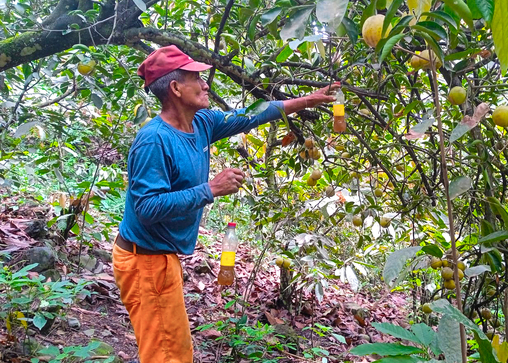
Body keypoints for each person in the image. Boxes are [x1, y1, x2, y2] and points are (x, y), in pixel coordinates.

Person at [111, 45, 339, 363]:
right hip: (145, 262)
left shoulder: (201, 123)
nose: (206, 84)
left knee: (174, 350)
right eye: (197, 78)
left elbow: (251, 115)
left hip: (160, 259)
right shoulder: (154, 140)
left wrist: (307, 101)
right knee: (165, 354)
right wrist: (211, 189)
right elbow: (147, 208)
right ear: (175, 88)